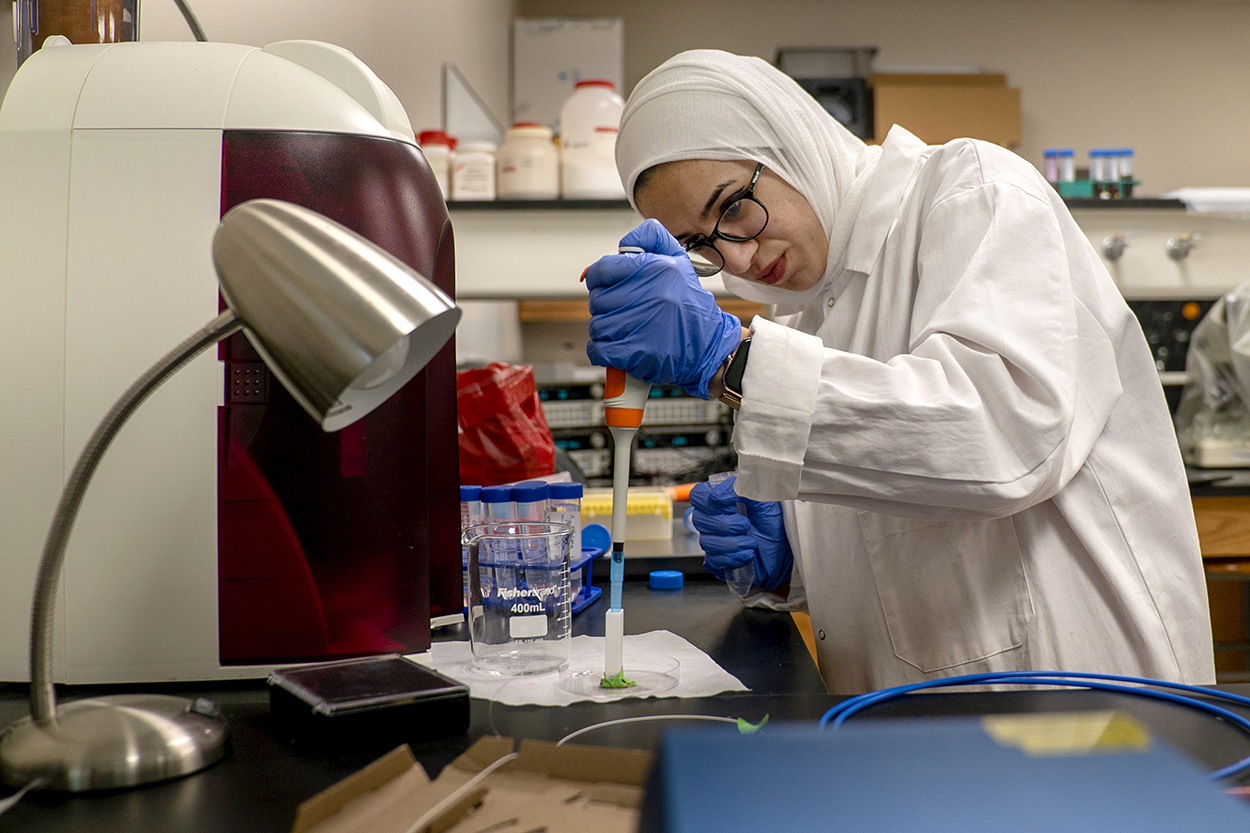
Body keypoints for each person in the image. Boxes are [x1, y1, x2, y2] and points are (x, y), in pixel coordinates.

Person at [582, 49, 1215, 694]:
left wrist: (733, 360)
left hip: (1085, 710)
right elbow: (908, 527)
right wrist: (794, 562)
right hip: (920, 732)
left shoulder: (973, 193)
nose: (737, 256)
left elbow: (1000, 436)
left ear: (784, 139)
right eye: (701, 245)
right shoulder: (805, 323)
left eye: (734, 208)